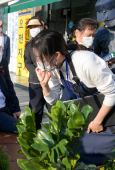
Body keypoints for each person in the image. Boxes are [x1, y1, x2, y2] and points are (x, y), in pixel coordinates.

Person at [31, 29, 115, 165]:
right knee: (63, 145)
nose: (38, 62)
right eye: (37, 58)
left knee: (78, 150)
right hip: (91, 116)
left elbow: (112, 93)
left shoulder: (86, 61)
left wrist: (97, 122)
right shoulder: (55, 68)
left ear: (56, 55)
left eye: (41, 58)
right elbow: (54, 101)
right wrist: (44, 85)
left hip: (109, 116)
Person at [24, 16, 46, 130]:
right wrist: (38, 73)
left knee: (54, 108)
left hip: (50, 80)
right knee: (35, 110)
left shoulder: (49, 40)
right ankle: (34, 134)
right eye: (31, 27)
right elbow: (27, 62)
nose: (33, 29)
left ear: (42, 26)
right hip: (35, 80)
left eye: (35, 26)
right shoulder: (29, 45)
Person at [93, 0, 115, 68]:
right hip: (110, 72)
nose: (108, 20)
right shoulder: (99, 32)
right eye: (105, 19)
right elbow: (95, 56)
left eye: (110, 17)